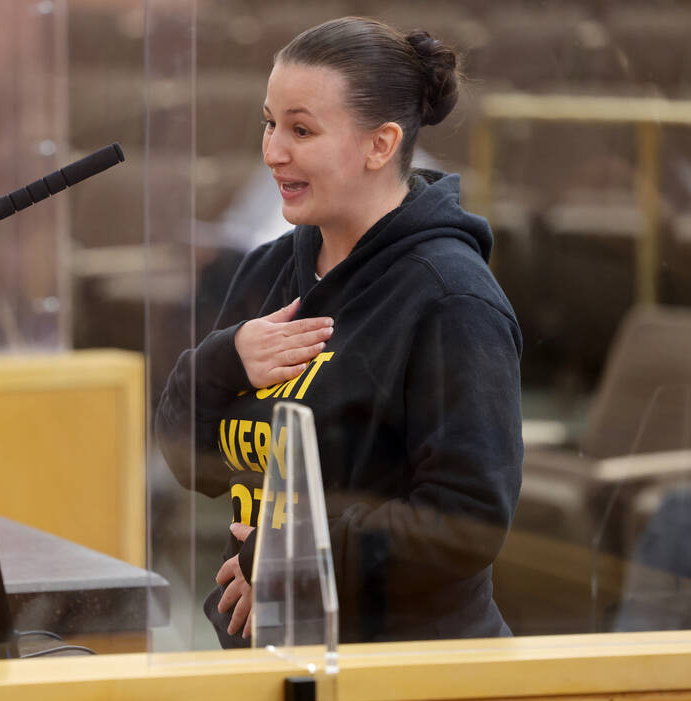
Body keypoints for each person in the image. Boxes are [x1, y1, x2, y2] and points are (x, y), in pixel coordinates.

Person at [154, 16, 523, 647]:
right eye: (270, 123)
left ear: (380, 145)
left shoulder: (450, 297)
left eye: (301, 129)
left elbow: (467, 521)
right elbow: (194, 462)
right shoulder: (269, 268)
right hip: (271, 659)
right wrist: (224, 361)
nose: (272, 151)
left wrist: (289, 557)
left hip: (404, 677)